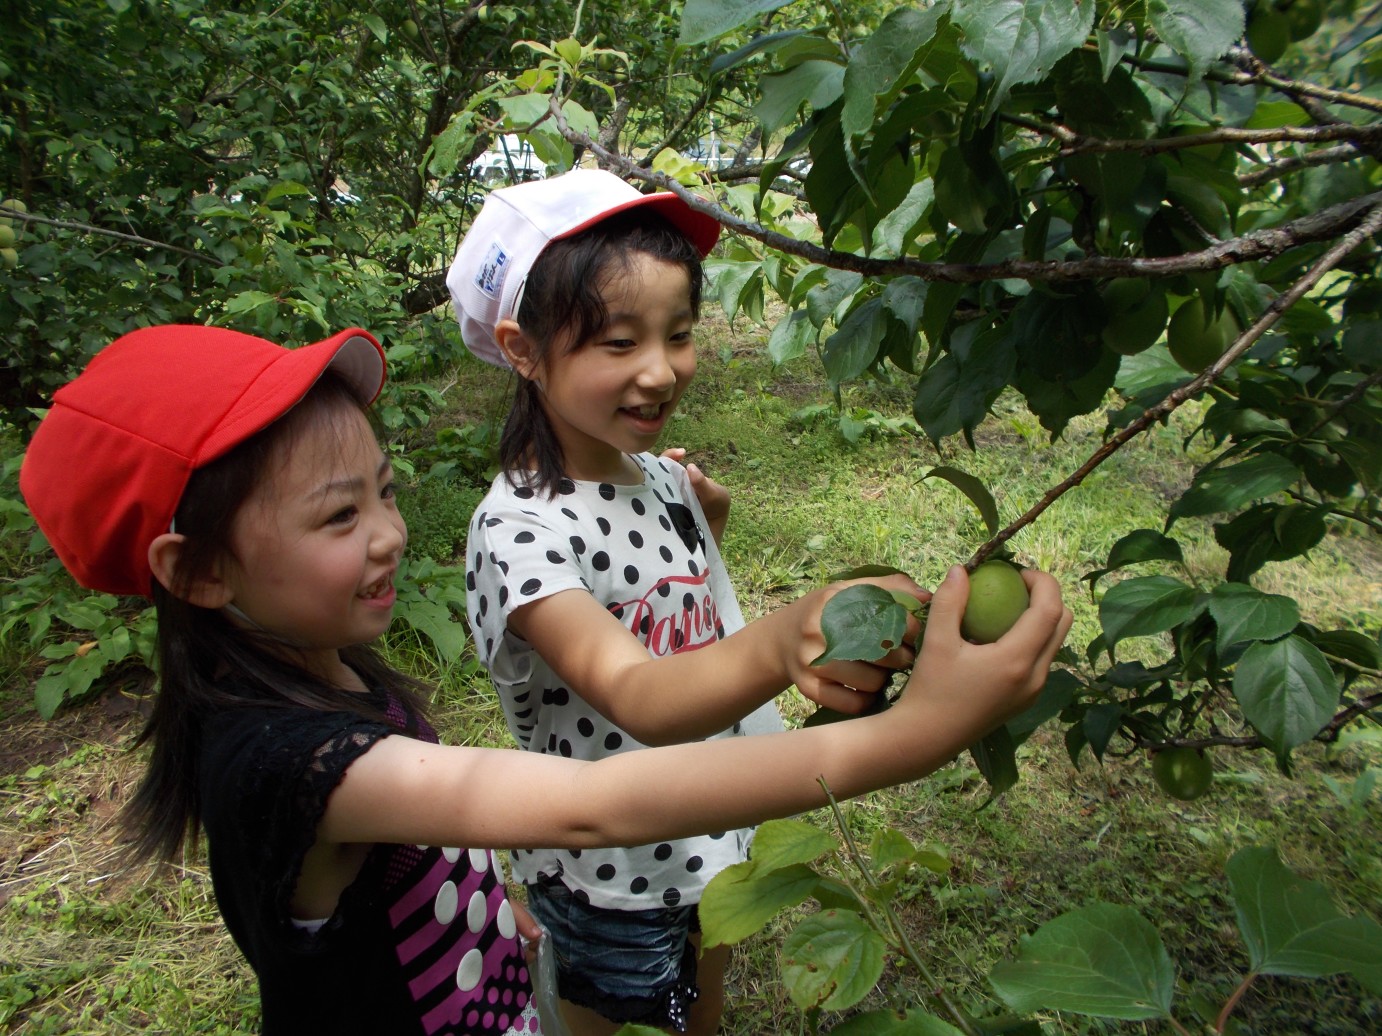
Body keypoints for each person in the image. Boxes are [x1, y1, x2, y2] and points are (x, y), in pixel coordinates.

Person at [20, 323, 1069, 1036]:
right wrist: (913, 734)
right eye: (339, 517)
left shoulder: (320, 672)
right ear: (199, 571)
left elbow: (429, 831)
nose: (389, 534)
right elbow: (583, 809)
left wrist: (478, 905)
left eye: (383, 493)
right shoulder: (292, 756)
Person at [444, 169, 1063, 1036]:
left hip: (712, 824)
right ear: (523, 349)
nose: (661, 372)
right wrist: (779, 643)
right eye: (618, 343)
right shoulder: (517, 532)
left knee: (706, 993)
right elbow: (641, 695)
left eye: (680, 334)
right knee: (600, 1020)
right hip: (608, 866)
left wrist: (705, 531)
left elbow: (667, 619)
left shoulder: (663, 477)